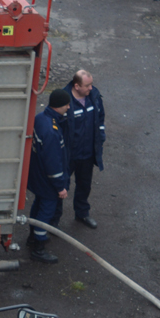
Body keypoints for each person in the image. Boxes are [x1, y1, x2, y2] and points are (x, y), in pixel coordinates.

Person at [26, 89, 72, 264]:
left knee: (38, 206)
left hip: (37, 175)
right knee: (46, 211)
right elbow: (53, 163)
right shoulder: (52, 131)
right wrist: (60, 186)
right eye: (67, 104)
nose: (68, 107)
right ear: (59, 106)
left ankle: (32, 237)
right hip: (47, 180)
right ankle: (39, 247)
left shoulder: (40, 119)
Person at [65, 69, 106, 229]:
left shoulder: (94, 97)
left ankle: (82, 213)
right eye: (87, 85)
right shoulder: (64, 100)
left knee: (84, 185)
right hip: (69, 155)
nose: (91, 88)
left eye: (91, 84)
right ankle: (53, 222)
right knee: (60, 188)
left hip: (87, 154)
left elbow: (101, 118)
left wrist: (101, 136)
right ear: (76, 86)